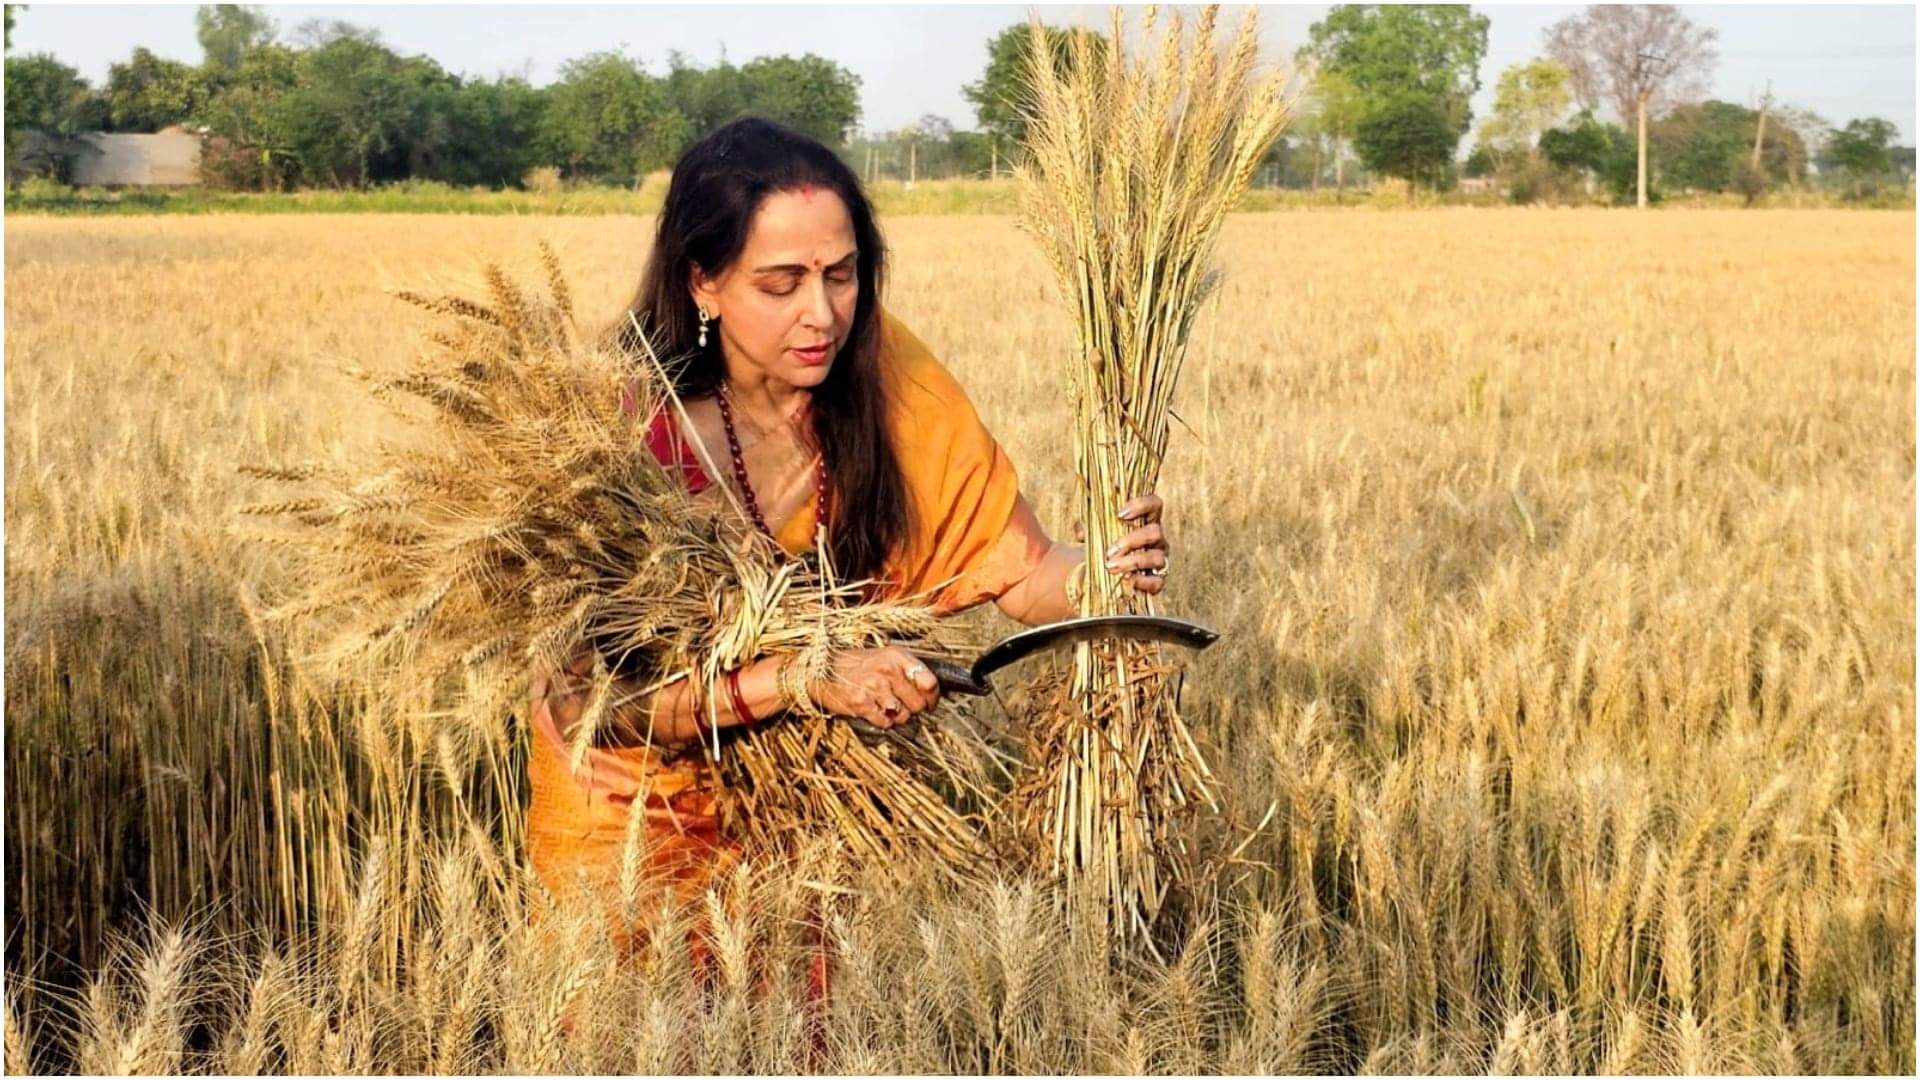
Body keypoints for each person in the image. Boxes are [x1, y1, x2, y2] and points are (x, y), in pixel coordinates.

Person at [525, 116, 1173, 950]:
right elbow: (590, 701)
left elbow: (1022, 567)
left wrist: (1111, 572)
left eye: (842, 274)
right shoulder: (609, 433)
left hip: (805, 816)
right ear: (703, 282)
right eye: (780, 282)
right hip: (631, 818)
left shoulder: (885, 376)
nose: (821, 313)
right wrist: (804, 680)